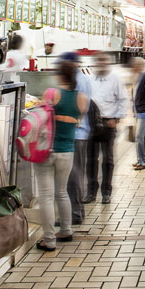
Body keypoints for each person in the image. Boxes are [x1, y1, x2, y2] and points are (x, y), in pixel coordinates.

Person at [36, 59, 87, 251]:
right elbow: (78, 121)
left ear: (60, 75)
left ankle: (49, 240)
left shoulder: (51, 93)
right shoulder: (82, 98)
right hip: (67, 151)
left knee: (46, 196)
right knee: (62, 192)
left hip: (47, 150)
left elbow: (39, 117)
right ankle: (65, 230)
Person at [86, 52, 129, 203]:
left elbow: (123, 100)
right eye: (99, 61)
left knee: (108, 160)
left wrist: (116, 118)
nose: (102, 64)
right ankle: (91, 191)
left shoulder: (115, 79)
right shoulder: (89, 80)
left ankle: (106, 192)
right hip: (91, 124)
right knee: (91, 159)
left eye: (104, 61)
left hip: (108, 123)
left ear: (108, 63)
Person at [61, 52, 93, 226]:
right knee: (76, 174)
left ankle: (75, 213)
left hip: (76, 132)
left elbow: (79, 108)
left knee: (72, 175)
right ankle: (77, 211)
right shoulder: (85, 78)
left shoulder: (78, 81)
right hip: (81, 132)